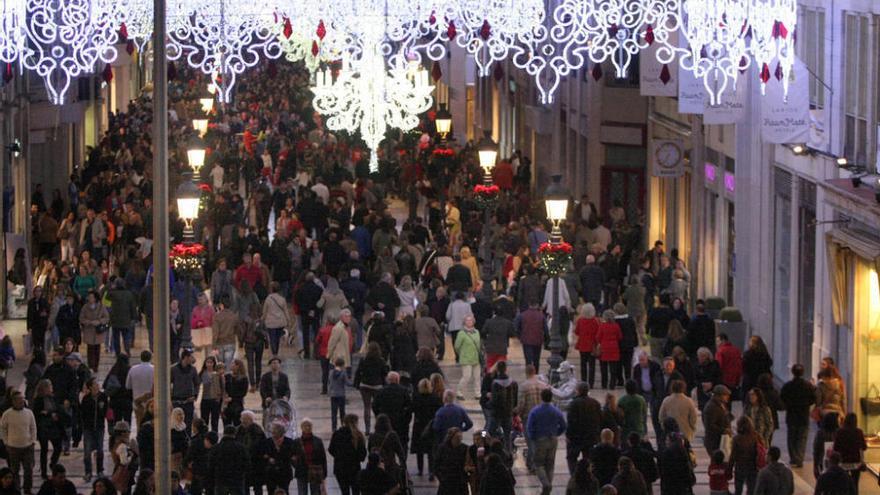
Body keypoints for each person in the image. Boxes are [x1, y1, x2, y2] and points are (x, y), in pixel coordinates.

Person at [527, 388, 567, 495]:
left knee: (539, 464)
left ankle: (546, 484)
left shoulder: (535, 411)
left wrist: (532, 438)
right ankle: (548, 487)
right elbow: (563, 425)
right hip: (553, 439)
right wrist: (556, 433)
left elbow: (530, 427)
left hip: (540, 440)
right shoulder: (556, 410)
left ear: (541, 397)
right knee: (550, 464)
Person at [779, 364, 816, 468]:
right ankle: (800, 457)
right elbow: (813, 398)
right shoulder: (808, 386)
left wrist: (788, 405)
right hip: (803, 415)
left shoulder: (788, 386)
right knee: (802, 437)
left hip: (791, 414)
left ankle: (793, 457)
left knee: (792, 437)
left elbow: (782, 398)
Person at [0, 391, 37, 494]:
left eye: (22, 399)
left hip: (27, 446)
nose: (21, 401)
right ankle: (16, 490)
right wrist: (6, 442)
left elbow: (33, 427)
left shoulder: (29, 413)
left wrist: (33, 441)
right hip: (13, 446)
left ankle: (27, 489)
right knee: (14, 471)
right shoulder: (7, 414)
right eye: (19, 399)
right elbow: (3, 429)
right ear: (13, 401)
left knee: (28, 470)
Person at [31, 380, 65, 481]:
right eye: (50, 386)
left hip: (54, 427)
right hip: (43, 428)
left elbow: (57, 409)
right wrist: (49, 414)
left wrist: (53, 414)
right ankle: (44, 472)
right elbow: (37, 413)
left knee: (58, 447)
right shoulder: (38, 400)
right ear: (45, 388)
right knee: (44, 450)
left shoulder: (53, 398)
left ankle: (53, 463)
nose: (51, 387)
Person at [371, 371, 413, 454]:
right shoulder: (404, 391)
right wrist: (407, 419)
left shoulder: (381, 391)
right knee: (402, 442)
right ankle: (403, 462)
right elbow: (410, 407)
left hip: (386, 421)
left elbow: (374, 405)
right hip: (400, 421)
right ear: (398, 380)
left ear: (388, 380)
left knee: (386, 443)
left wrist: (379, 415)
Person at [565, 381, 601, 475]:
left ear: (578, 391)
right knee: (588, 458)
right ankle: (588, 475)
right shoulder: (595, 403)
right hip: (591, 437)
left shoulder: (573, 404)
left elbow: (571, 422)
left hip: (576, 437)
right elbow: (600, 419)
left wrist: (568, 436)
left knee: (571, 458)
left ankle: (574, 475)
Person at [352, 342, 387, 434]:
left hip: (365, 385)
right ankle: (378, 427)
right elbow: (384, 374)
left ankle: (367, 429)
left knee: (366, 407)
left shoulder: (363, 360)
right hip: (377, 386)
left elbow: (358, 372)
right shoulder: (381, 360)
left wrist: (356, 383)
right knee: (378, 407)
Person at [410, 378, 442, 478]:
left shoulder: (416, 397)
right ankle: (431, 471)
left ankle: (420, 470)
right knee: (430, 450)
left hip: (419, 425)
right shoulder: (435, 398)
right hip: (431, 426)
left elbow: (411, 409)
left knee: (419, 450)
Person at [328, 414, 367, 495]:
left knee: (345, 492)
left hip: (340, 469)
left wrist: (339, 456)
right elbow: (362, 456)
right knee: (356, 492)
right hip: (354, 469)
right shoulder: (358, 436)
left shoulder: (337, 434)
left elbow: (331, 449)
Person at [657, 419, 696, 495]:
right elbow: (689, 452)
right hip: (683, 476)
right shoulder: (682, 437)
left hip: (669, 478)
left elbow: (660, 457)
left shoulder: (664, 438)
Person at [80, 377, 109, 482]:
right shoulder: (86, 399)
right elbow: (82, 413)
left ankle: (100, 471)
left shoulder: (103, 397)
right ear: (90, 387)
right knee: (87, 451)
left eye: (98, 383)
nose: (97, 385)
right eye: (95, 384)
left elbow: (106, 410)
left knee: (100, 450)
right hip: (88, 428)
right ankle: (88, 472)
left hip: (100, 427)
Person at [209, 426, 250, 495]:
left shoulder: (216, 448)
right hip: (237, 479)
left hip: (221, 479)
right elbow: (247, 463)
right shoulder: (241, 447)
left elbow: (211, 464)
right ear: (235, 434)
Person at [291, 419, 327, 495]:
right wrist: (296, 464)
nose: (307, 427)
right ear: (301, 427)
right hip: (302, 471)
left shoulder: (318, 441)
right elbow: (292, 456)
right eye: (305, 425)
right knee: (302, 492)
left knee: (316, 492)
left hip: (315, 470)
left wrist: (324, 473)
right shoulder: (296, 442)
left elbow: (323, 457)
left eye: (309, 425)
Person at [833, 412, 867, 487]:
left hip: (843, 462)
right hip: (856, 463)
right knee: (855, 483)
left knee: (843, 484)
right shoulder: (859, 432)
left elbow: (836, 448)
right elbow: (864, 447)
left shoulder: (840, 432)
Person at [79, 290, 110, 371]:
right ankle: (91, 366)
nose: (90, 299)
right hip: (89, 330)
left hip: (98, 331)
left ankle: (96, 366)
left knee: (97, 349)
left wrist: (99, 321)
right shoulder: (85, 307)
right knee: (90, 349)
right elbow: (81, 318)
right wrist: (88, 322)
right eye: (89, 297)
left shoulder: (101, 307)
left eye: (91, 297)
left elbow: (106, 317)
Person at [729, 416, 760, 495]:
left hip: (740, 467)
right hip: (753, 466)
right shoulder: (755, 436)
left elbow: (733, 456)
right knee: (751, 490)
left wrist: (729, 469)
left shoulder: (737, 439)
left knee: (738, 490)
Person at [454, 316, 482, 400]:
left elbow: (479, 344)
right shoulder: (461, 333)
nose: (469, 322)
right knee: (467, 376)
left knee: (477, 377)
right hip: (466, 358)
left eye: (471, 320)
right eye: (467, 320)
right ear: (464, 322)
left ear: (473, 322)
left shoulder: (477, 332)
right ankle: (459, 392)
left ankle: (478, 394)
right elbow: (457, 346)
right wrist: (462, 353)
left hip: (476, 358)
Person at [435, 428, 468, 495]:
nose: (459, 440)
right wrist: (441, 478)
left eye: (460, 437)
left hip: (460, 482)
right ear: (451, 438)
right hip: (446, 481)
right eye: (457, 438)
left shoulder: (465, 448)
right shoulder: (442, 448)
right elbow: (436, 464)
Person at [170, 350, 200, 427]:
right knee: (176, 423)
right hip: (177, 400)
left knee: (188, 422)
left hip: (188, 401)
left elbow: (197, 383)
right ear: (186, 357)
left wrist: (195, 395)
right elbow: (168, 383)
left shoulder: (193, 369)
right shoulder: (174, 369)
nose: (193, 359)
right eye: (191, 357)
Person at [702, 384, 733, 456]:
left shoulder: (721, 404)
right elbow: (710, 426)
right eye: (725, 395)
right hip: (715, 442)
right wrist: (724, 430)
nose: (728, 397)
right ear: (718, 396)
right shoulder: (711, 407)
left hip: (721, 440)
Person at [573, 303, 599, 386]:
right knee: (592, 366)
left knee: (583, 364)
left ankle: (584, 382)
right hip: (592, 346)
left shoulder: (580, 321)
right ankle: (591, 383)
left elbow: (576, 332)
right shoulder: (595, 321)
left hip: (582, 345)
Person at [596, 309, 623, 389]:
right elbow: (620, 337)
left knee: (603, 368)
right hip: (614, 347)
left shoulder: (602, 326)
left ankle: (604, 384)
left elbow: (598, 337)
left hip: (604, 347)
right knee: (613, 368)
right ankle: (612, 384)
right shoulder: (616, 326)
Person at [199, 356, 225, 433]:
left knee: (215, 421)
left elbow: (222, 387)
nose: (209, 364)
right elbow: (197, 384)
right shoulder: (202, 373)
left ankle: (214, 437)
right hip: (205, 399)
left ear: (214, 363)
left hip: (215, 399)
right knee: (204, 420)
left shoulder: (218, 374)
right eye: (207, 362)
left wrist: (221, 398)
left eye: (211, 362)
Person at [715, 334, 743, 399]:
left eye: (718, 341)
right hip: (734, 380)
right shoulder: (736, 350)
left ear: (723, 340)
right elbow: (739, 366)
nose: (717, 343)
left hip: (723, 379)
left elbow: (718, 366)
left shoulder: (720, 351)